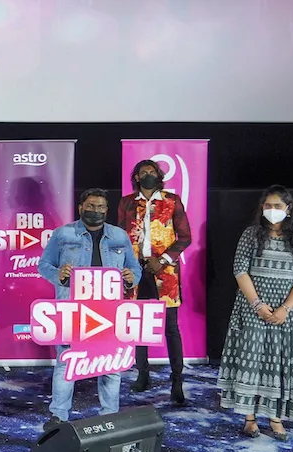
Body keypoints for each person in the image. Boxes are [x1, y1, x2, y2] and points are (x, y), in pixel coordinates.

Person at [38, 189, 141, 430]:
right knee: (66, 361)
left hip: (109, 310)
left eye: (101, 207)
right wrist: (58, 274)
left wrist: (130, 278)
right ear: (81, 208)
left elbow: (135, 269)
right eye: (91, 206)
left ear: (107, 210)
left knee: (111, 364)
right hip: (72, 308)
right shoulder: (63, 234)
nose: (96, 211)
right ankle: (58, 416)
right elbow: (44, 265)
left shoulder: (119, 236)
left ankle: (109, 416)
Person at [218, 185, 293, 441]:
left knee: (280, 362)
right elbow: (240, 270)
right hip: (253, 309)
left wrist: (285, 309)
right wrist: (258, 305)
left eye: (278, 206)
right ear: (262, 208)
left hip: (288, 312)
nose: (272, 210)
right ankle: (250, 418)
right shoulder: (251, 234)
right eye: (268, 206)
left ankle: (275, 418)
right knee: (252, 360)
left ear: (288, 209)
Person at [118, 160, 191, 404]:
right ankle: (143, 374)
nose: (148, 175)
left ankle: (177, 381)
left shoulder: (172, 201)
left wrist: (162, 260)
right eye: (144, 172)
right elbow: (120, 236)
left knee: (171, 327)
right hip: (135, 271)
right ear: (137, 177)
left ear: (159, 176)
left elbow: (185, 237)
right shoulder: (127, 202)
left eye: (152, 172)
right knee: (139, 325)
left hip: (164, 271)